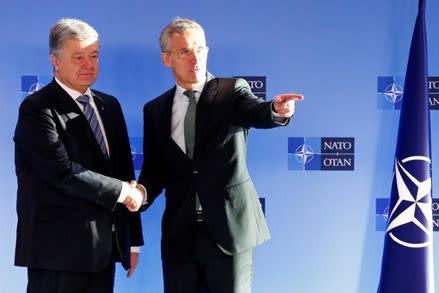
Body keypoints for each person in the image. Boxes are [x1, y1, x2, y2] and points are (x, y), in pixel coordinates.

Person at [137, 17, 303, 293]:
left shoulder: (231, 91)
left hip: (229, 232)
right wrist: (141, 194)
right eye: (184, 52)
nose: (195, 59)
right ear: (167, 59)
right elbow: (155, 170)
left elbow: (257, 111)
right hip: (180, 234)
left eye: (200, 49)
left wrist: (276, 110)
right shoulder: (155, 110)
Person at [14, 18, 144, 293]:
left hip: (102, 251)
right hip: (56, 254)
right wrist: (124, 192)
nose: (88, 64)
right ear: (55, 61)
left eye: (94, 56)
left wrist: (132, 240)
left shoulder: (109, 105)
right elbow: (61, 172)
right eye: (78, 57)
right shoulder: (37, 109)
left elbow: (124, 173)